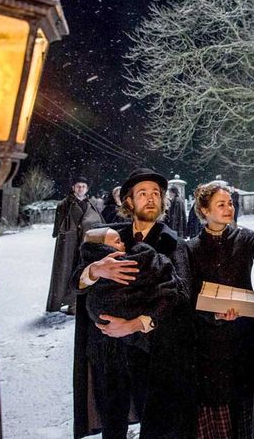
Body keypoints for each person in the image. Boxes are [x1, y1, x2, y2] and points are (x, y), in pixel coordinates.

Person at [72, 168, 195, 439]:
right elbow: (75, 282)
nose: (151, 199)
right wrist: (95, 270)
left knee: (156, 426)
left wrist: (134, 324)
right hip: (107, 351)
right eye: (143, 193)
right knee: (111, 426)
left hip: (150, 352)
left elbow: (182, 294)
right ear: (129, 202)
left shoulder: (173, 243)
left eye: (156, 194)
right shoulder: (107, 237)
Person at [185, 182, 254, 439]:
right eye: (221, 204)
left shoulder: (243, 237)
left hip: (245, 335)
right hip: (211, 343)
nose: (229, 208)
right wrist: (212, 315)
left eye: (230, 203)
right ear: (204, 210)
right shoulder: (191, 249)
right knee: (220, 403)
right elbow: (189, 296)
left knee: (246, 401)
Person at [80, 227, 179, 353]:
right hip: (109, 346)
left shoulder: (172, 240)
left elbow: (181, 291)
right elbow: (75, 282)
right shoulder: (115, 236)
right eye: (118, 242)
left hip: (153, 341)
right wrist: (94, 270)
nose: (123, 244)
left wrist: (137, 324)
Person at [47, 176, 103, 314]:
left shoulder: (92, 204)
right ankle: (70, 303)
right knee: (66, 272)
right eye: (78, 186)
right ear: (73, 188)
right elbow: (59, 227)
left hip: (87, 243)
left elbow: (99, 222)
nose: (81, 189)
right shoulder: (64, 204)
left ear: (87, 189)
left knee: (85, 271)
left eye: (83, 186)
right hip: (69, 245)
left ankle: (82, 302)